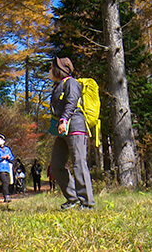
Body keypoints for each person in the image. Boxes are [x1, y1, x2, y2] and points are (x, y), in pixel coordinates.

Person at [49, 56, 95, 210]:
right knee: (56, 165)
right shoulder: (58, 85)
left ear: (59, 70)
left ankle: (87, 202)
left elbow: (72, 101)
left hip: (74, 126)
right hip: (62, 129)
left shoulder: (71, 83)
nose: (49, 71)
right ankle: (72, 198)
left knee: (79, 163)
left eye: (51, 68)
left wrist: (64, 120)